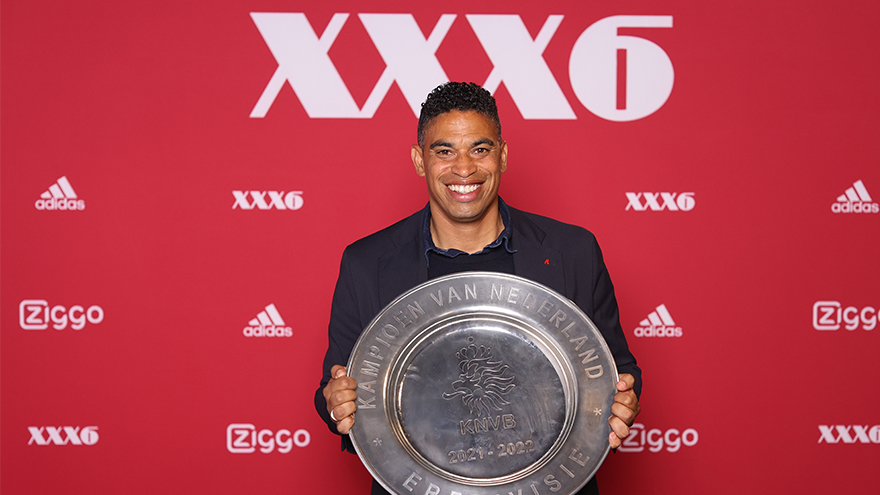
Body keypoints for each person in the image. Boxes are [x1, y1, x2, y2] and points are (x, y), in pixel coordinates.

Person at [315, 82, 641, 495]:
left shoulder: (573, 251)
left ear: (502, 155)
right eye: (444, 151)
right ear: (419, 160)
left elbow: (615, 370)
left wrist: (622, 401)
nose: (464, 168)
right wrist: (336, 403)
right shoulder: (367, 263)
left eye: (480, 149)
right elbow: (335, 388)